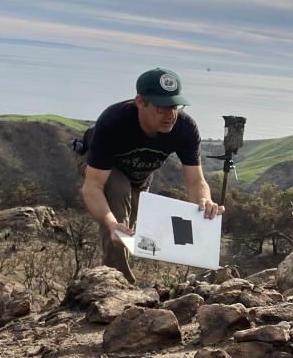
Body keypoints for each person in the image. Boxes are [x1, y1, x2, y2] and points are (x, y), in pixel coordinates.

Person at [76, 68, 223, 283]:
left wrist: (204, 202)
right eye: (161, 108)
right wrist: (109, 223)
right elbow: (93, 187)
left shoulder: (185, 128)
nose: (169, 114)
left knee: (128, 230)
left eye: (173, 106)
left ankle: (115, 274)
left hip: (140, 176)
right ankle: (115, 283)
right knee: (118, 200)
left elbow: (196, 181)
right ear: (140, 102)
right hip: (99, 166)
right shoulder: (113, 122)